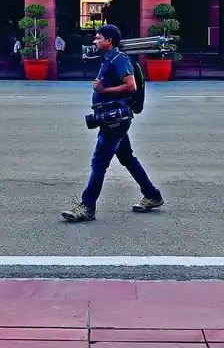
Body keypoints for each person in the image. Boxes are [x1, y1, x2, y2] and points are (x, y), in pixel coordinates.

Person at [61, 24, 163, 223]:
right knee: (127, 158)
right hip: (112, 117)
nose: (94, 41)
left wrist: (103, 91)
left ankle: (87, 206)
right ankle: (152, 195)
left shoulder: (119, 60)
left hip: (115, 120)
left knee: (99, 162)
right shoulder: (109, 58)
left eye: (98, 38)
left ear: (109, 41)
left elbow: (130, 86)